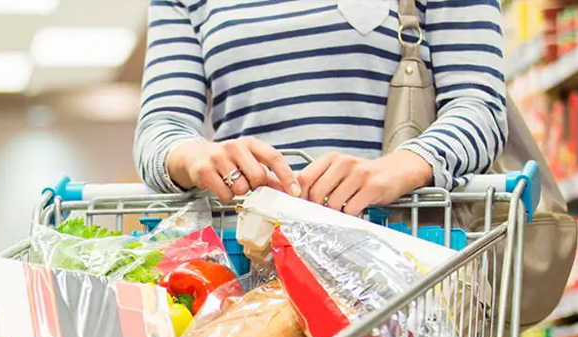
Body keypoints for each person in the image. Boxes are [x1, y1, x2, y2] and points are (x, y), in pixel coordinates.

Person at [134, 0, 509, 216]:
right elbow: (161, 129)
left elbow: (481, 109)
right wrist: (195, 157)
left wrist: (402, 167)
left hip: (401, 261)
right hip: (246, 261)